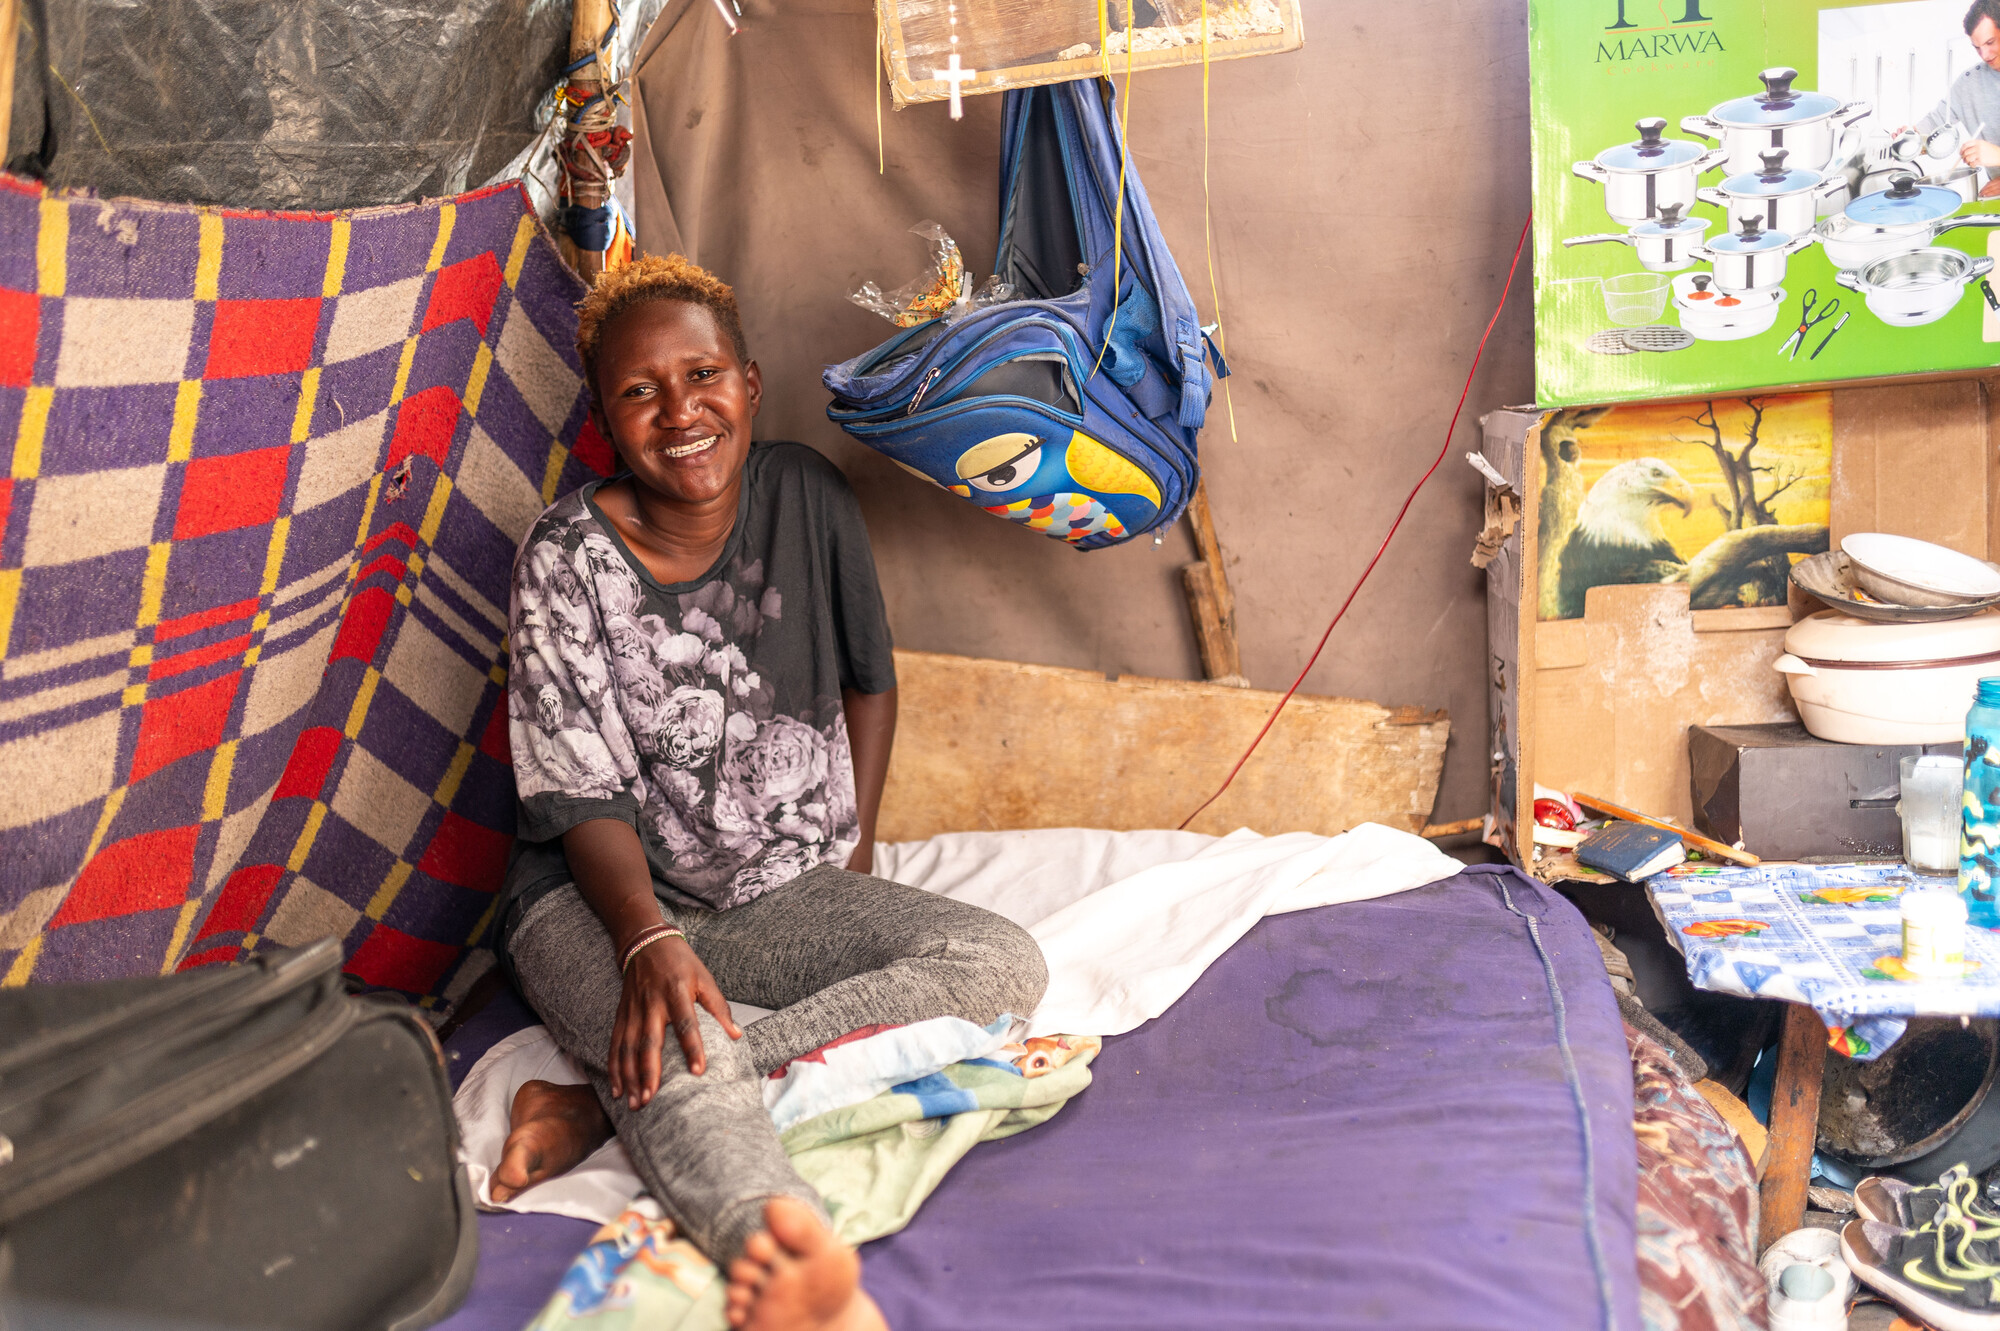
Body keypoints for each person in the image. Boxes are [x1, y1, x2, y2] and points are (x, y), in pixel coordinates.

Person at [488, 254, 1049, 1331]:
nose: (679, 411)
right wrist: (648, 941)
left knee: (995, 960)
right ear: (605, 416)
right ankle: (785, 1263)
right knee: (677, 1047)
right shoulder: (564, 557)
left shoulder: (806, 493)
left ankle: (602, 1104)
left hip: (772, 884)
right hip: (595, 897)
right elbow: (579, 793)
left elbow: (867, 681)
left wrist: (856, 851)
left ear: (747, 384)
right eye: (639, 391)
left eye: (701, 376)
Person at [1916, 0, 2000, 196]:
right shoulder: (1969, 83)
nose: (1985, 55)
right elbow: (1936, 121)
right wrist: (1911, 137)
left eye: (1990, 42)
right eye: (1977, 47)